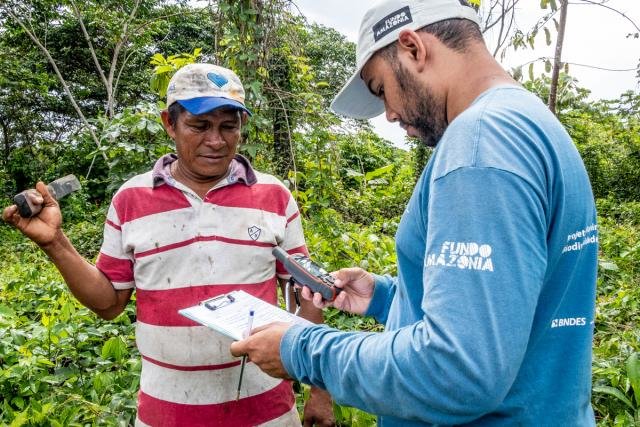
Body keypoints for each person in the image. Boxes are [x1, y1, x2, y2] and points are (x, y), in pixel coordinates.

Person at [230, 0, 599, 425]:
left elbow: (456, 370)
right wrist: (389, 298)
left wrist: (301, 349)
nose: (389, 113)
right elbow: (512, 307)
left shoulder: (480, 145)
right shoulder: (529, 123)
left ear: (412, 48)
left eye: (380, 88)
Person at [3, 63, 334, 427]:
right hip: (166, 413)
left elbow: (307, 293)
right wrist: (56, 244)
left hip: (267, 414)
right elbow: (109, 304)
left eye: (229, 126)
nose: (216, 140)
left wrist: (320, 390)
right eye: (200, 125)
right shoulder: (131, 199)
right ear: (169, 123)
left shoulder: (274, 196)